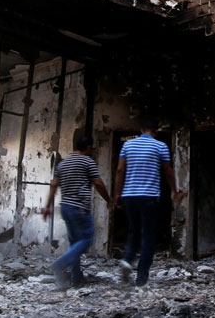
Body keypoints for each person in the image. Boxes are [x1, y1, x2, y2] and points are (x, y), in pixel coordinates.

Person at [115, 119, 184, 287]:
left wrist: (117, 193)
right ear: (156, 131)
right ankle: (141, 277)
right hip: (149, 197)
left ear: (141, 129)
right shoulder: (160, 147)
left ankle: (127, 260)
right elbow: (168, 172)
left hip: (129, 196)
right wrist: (174, 191)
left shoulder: (127, 146)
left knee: (134, 231)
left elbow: (119, 170)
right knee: (148, 236)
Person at [42, 135, 111, 288]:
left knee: (74, 243)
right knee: (87, 239)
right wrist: (108, 200)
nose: (92, 151)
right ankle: (61, 264)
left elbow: (54, 185)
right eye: (91, 148)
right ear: (87, 147)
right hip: (79, 207)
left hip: (65, 207)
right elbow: (98, 183)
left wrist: (47, 206)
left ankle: (76, 278)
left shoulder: (63, 164)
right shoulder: (88, 162)